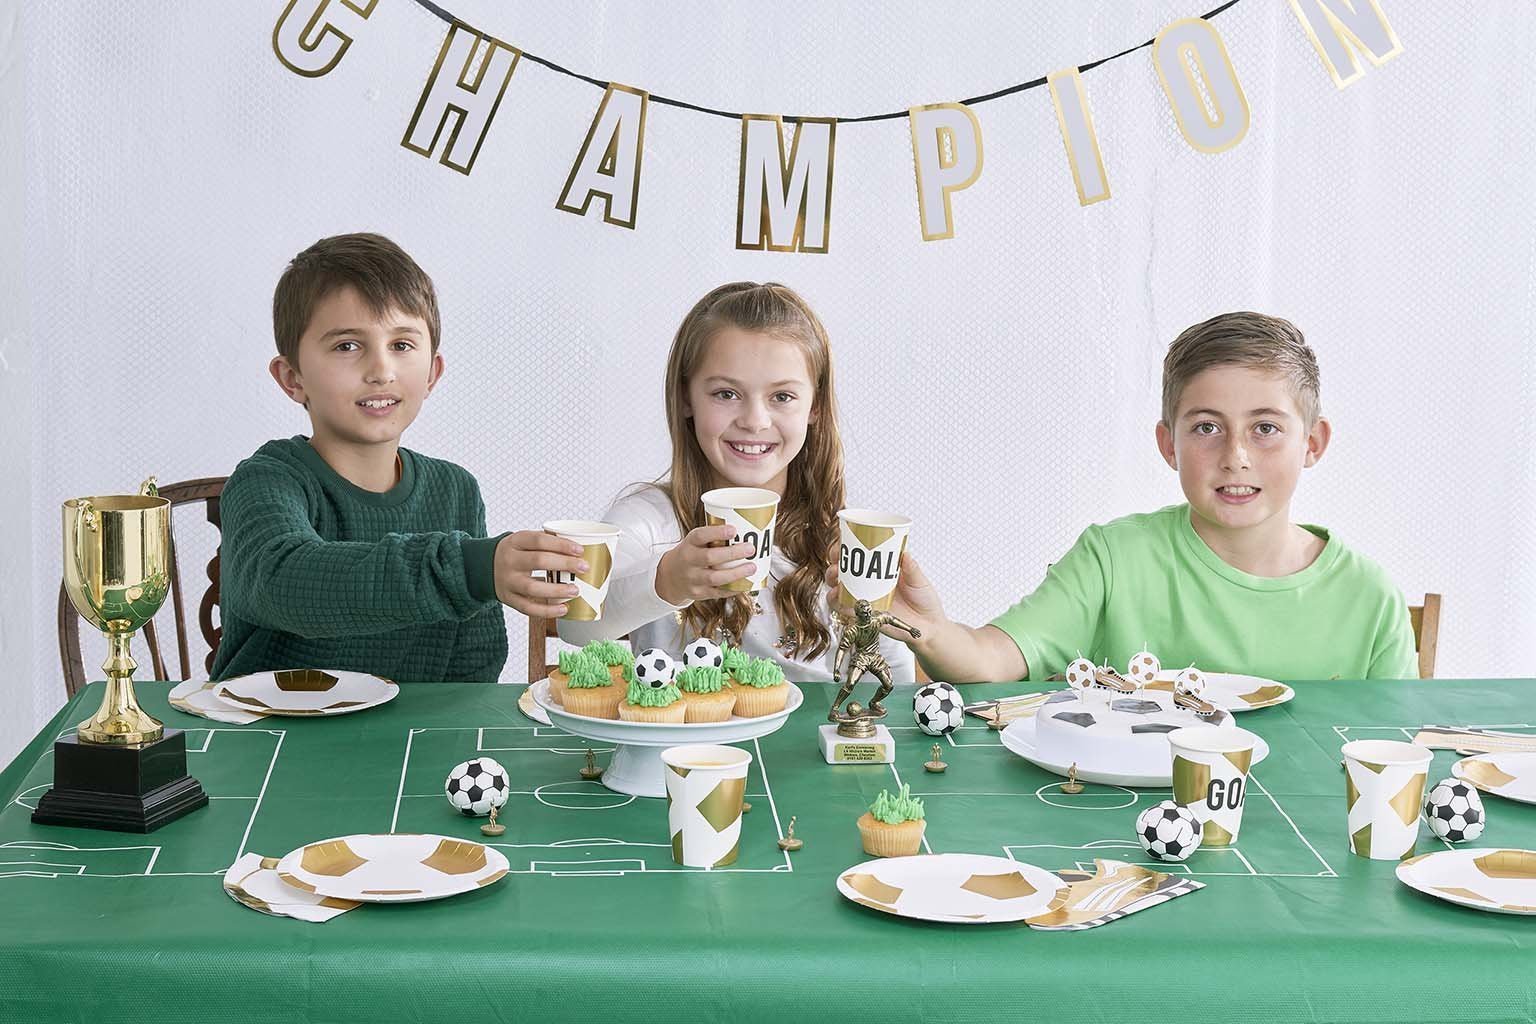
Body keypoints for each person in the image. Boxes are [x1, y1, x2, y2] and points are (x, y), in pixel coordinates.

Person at [211, 232, 585, 682]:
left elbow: (474, 664)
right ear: (292, 378)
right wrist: (471, 568)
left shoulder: (455, 490)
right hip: (269, 726)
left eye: (402, 345)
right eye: (347, 346)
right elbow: (285, 583)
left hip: (415, 727)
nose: (381, 371)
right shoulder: (265, 481)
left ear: (432, 373)